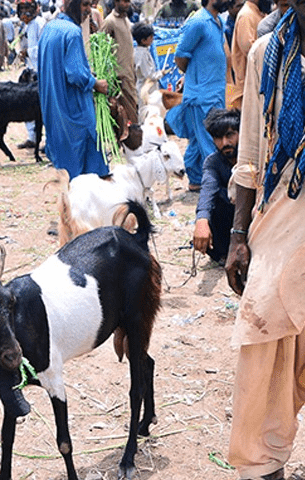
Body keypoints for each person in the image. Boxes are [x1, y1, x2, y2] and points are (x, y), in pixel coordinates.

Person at [224, 4, 305, 478]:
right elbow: (251, 151)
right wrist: (237, 235)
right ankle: (262, 463)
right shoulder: (265, 53)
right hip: (279, 210)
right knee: (263, 336)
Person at [36, 0, 110, 179]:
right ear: (71, 4)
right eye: (84, 5)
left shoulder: (49, 27)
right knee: (89, 167)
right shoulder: (73, 33)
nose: (88, 11)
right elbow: (76, 74)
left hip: (54, 108)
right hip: (75, 108)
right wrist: (95, 83)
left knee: (65, 166)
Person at [166, 0, 231, 191]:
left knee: (197, 139)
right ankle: (218, 184)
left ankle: (195, 180)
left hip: (215, 92)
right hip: (201, 96)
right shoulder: (198, 22)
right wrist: (193, 77)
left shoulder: (217, 21)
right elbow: (180, 55)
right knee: (210, 140)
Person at [192, 108, 239, 264]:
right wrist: (201, 220)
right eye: (218, 138)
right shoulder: (213, 162)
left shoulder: (253, 157)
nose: (225, 143)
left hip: (252, 218)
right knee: (214, 202)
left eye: (230, 135)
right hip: (228, 222)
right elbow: (207, 190)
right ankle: (223, 253)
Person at [101, 0, 138, 125]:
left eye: (128, 1)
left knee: (133, 111)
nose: (127, 4)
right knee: (126, 117)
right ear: (116, 1)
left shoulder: (126, 20)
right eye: (124, 1)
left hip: (129, 74)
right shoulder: (109, 22)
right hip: (119, 78)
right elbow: (102, 49)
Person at [229, 0, 269, 109]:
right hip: (248, 86)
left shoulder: (258, 13)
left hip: (258, 84)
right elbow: (249, 49)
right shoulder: (246, 15)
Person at [16, 0, 45, 151]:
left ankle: (48, 141)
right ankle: (31, 137)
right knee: (27, 104)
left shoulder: (40, 23)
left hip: (40, 70)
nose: (24, 13)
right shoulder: (26, 26)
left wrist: (28, 52)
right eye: (22, 9)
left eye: (27, 8)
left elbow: (43, 48)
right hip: (30, 69)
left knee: (43, 106)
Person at [132, 22, 162, 106]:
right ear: (143, 40)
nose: (152, 39)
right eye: (150, 37)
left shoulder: (140, 51)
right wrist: (160, 74)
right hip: (146, 90)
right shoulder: (142, 55)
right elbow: (149, 75)